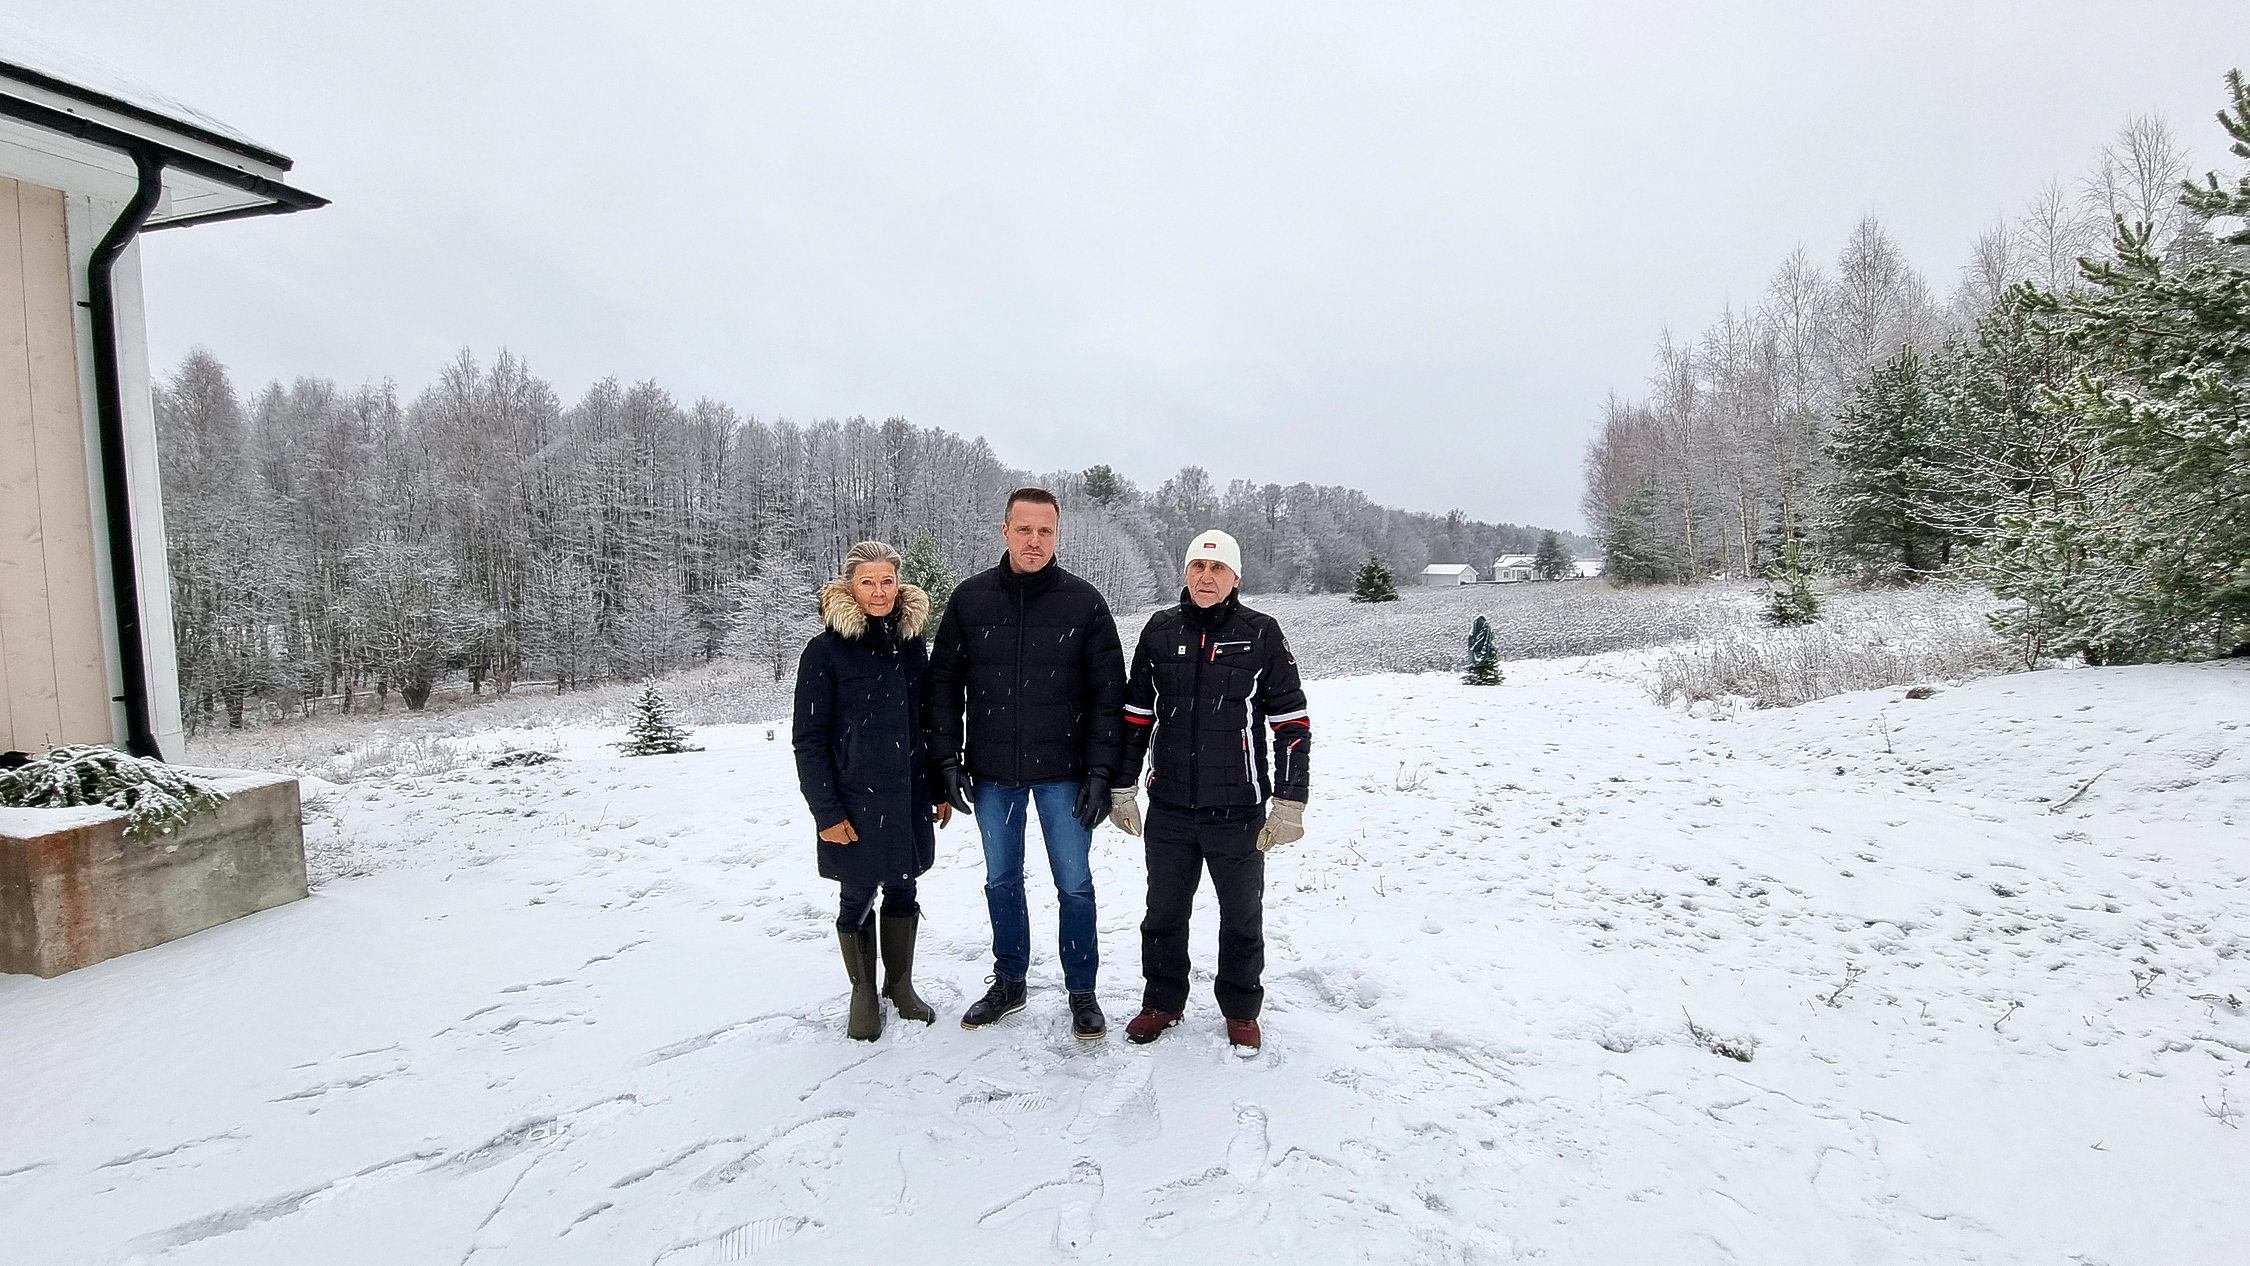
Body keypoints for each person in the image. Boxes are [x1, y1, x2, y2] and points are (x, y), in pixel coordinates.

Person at [923, 487, 1126, 1038]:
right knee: (1001, 880)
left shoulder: (1083, 603)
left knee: (1075, 884)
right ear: (1005, 530)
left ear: (1056, 535)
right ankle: (1010, 980)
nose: (1034, 541)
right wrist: (947, 758)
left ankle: (1082, 990)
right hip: (993, 773)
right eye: (1024, 529)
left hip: (1065, 773)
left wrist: (1102, 771)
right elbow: (943, 687)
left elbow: (1109, 693)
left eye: (1045, 531)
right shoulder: (971, 601)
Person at [1109, 529, 1309, 1056]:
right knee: (1164, 913)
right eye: (1198, 565)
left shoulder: (1261, 633)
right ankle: (1162, 1000)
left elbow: (1290, 721)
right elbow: (1135, 716)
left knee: (1242, 916)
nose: (1205, 576)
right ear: (1185, 571)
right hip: (1170, 807)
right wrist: (1122, 786)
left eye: (1217, 569)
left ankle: (1241, 1007)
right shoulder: (1159, 630)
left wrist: (1290, 801)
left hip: (1238, 811)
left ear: (1236, 578)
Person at [792, 540, 950, 1042]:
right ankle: (863, 993)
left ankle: (899, 986)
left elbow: (924, 720)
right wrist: (825, 811)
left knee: (904, 887)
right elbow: (808, 739)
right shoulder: (824, 652)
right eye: (868, 582)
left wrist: (938, 787)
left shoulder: (910, 645)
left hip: (908, 796)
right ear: (849, 587)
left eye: (887, 582)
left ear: (898, 585)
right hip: (853, 802)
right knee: (856, 894)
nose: (879, 592)